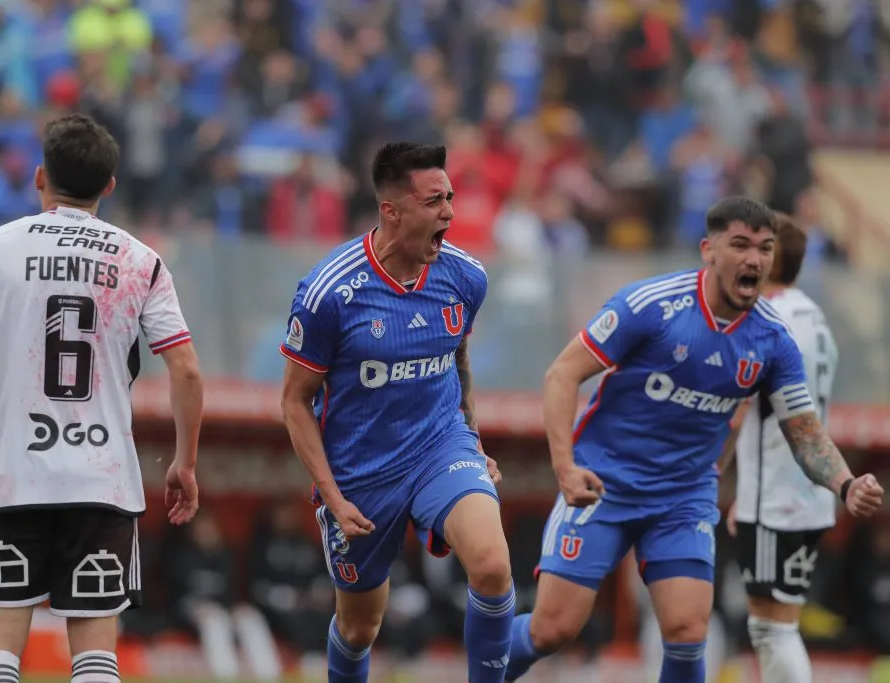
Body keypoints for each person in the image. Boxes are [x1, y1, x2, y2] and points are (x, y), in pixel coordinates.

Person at [505, 196, 884, 683]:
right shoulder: (650, 306)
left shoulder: (773, 340)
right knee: (553, 630)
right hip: (604, 481)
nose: (754, 259)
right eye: (741, 245)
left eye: (765, 249)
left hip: (683, 498)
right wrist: (564, 466)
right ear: (709, 249)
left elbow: (805, 431)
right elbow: (562, 374)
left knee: (687, 630)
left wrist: (846, 485)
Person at [0, 113, 203, 683]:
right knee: (95, 654)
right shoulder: (141, 261)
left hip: (16, 477)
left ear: (40, 177)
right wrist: (184, 462)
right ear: (110, 186)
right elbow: (187, 372)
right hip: (102, 480)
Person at [279, 141, 514, 683]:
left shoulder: (466, 276)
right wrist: (332, 498)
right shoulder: (328, 293)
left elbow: (457, 355)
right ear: (393, 210)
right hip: (360, 473)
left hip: (440, 447)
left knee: (493, 566)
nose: (450, 213)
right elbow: (293, 402)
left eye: (450, 198)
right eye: (435, 201)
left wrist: (473, 439)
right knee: (361, 628)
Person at [725, 212, 840, 682]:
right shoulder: (815, 317)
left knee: (771, 628)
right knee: (782, 623)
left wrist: (716, 478)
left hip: (773, 494)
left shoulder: (769, 322)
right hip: (809, 495)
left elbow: (739, 410)